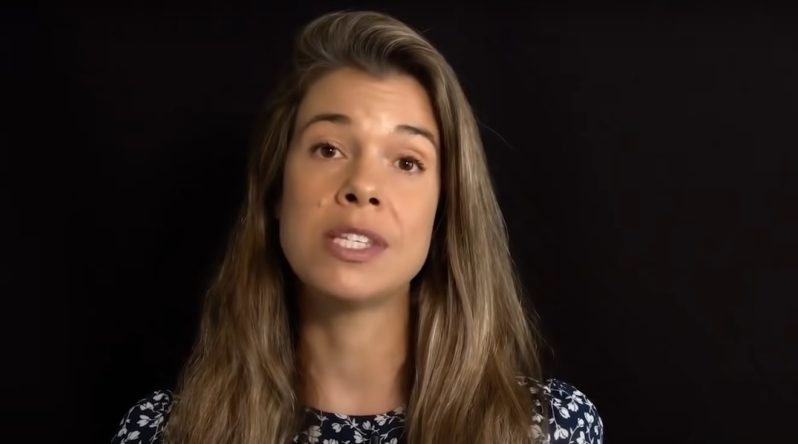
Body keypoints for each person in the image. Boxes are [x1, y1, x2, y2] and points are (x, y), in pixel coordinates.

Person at [111, 10, 603, 444]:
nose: (362, 185)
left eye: (407, 161)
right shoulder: (165, 432)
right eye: (329, 149)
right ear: (277, 189)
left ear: (446, 209)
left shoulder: (548, 430)